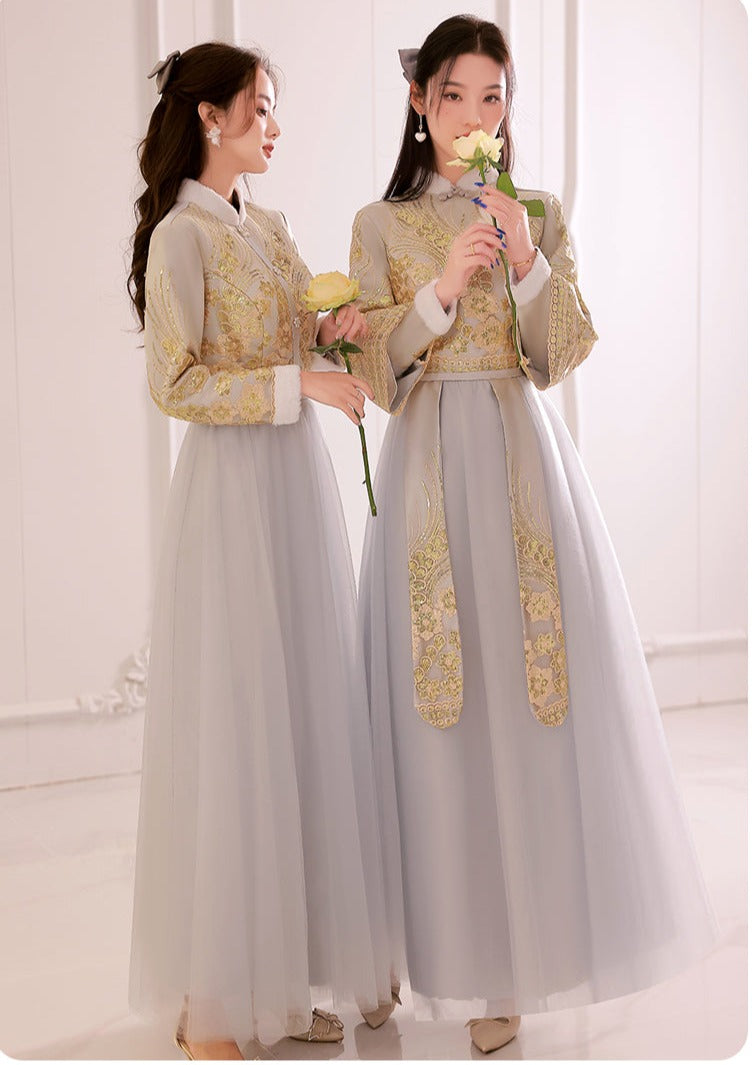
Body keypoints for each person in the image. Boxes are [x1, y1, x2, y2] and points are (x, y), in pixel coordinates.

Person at [348, 14, 719, 1054]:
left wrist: (521, 261)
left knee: (524, 704)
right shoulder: (380, 225)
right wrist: (440, 290)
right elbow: (375, 376)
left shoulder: (537, 212)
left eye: (493, 97)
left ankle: (504, 968)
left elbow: (562, 353)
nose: (476, 116)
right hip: (427, 475)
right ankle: (404, 950)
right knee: (432, 708)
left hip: (519, 466)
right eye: (455, 96)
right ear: (420, 104)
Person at [127, 41, 394, 1060]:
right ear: (210, 116)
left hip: (291, 486)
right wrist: (299, 384)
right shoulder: (180, 237)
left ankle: (277, 983)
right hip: (232, 496)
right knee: (237, 726)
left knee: (295, 719)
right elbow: (176, 383)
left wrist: (328, 339)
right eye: (261, 107)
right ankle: (213, 997)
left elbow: (288, 340)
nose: (275, 125)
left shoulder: (268, 226)